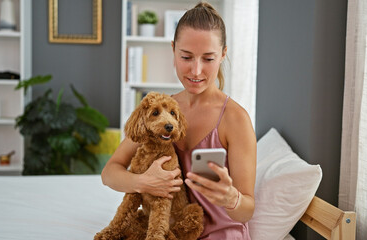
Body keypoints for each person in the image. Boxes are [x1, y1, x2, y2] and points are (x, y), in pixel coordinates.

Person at [101, 2, 257, 239]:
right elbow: (109, 173)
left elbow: (247, 211)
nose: (196, 71)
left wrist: (230, 198)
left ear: (223, 54)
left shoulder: (236, 119)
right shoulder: (161, 111)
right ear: (173, 50)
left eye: (208, 59)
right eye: (186, 57)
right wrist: (144, 182)